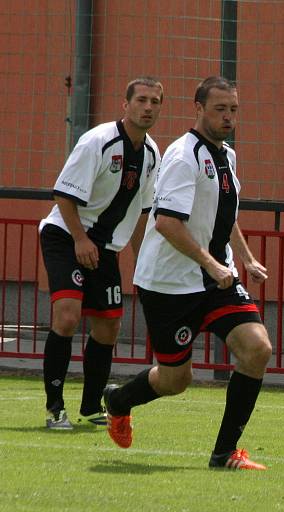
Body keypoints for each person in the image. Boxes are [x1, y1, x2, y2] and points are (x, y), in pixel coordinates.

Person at [103, 76, 272, 470]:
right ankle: (119, 400)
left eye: (233, 109)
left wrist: (244, 259)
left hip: (215, 279)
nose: (228, 117)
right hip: (169, 285)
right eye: (219, 109)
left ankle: (225, 452)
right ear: (198, 108)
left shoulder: (226, 156)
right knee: (176, 380)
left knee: (257, 348)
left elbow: (224, 216)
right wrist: (211, 263)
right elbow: (166, 223)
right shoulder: (183, 157)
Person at [39, 77, 163, 430]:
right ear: (125, 105)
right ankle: (54, 409)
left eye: (155, 101)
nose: (148, 107)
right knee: (67, 316)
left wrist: (144, 264)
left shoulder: (153, 154)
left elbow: (143, 211)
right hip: (66, 234)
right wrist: (80, 239)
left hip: (105, 247)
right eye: (141, 100)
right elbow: (63, 195)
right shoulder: (98, 140)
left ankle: (92, 406)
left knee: (108, 326)